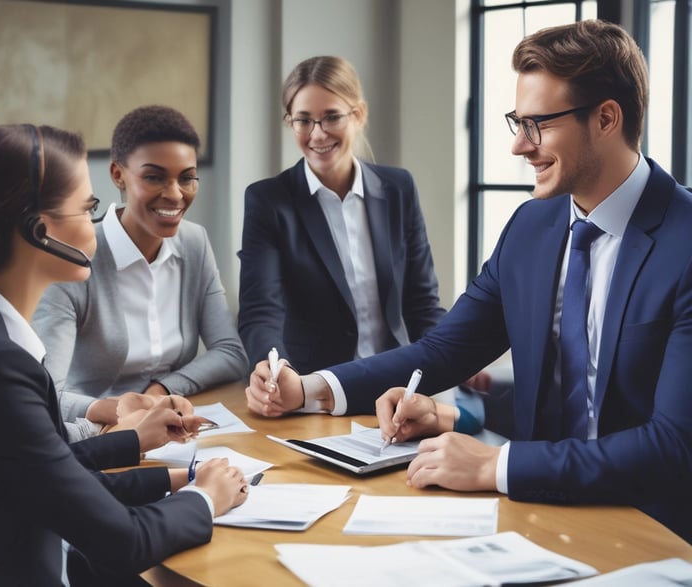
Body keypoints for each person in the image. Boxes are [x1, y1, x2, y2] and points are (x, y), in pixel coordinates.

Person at [246, 20, 692, 543]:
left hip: (653, 531)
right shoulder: (532, 226)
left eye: (538, 125)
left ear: (607, 119)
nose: (519, 146)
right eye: (517, 123)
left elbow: (673, 446)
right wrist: (308, 390)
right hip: (532, 519)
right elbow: (442, 350)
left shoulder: (684, 241)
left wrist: (493, 465)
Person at [0, 123, 248, 586]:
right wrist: (207, 499)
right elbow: (124, 542)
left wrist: (158, 460)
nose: (97, 221)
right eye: (87, 208)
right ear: (40, 231)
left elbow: (52, 472)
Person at [33, 105, 248, 440]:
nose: (175, 194)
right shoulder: (73, 258)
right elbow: (44, 396)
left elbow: (231, 353)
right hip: (96, 436)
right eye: (154, 177)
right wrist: (121, 409)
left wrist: (161, 390)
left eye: (186, 178)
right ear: (118, 174)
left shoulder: (194, 243)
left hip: (175, 430)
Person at [237, 55, 448, 375]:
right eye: (304, 120)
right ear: (290, 122)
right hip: (309, 385)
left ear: (358, 115)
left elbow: (423, 303)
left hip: (393, 380)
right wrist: (274, 366)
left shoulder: (398, 188)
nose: (318, 134)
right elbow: (261, 311)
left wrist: (450, 361)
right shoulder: (268, 201)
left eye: (331, 117)